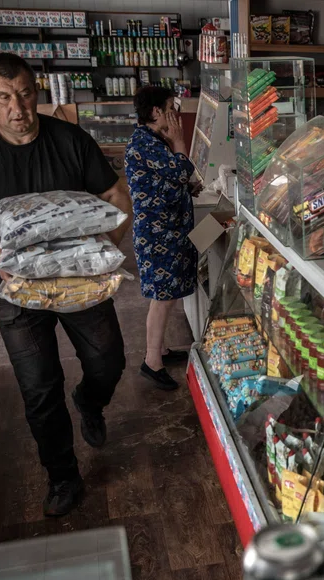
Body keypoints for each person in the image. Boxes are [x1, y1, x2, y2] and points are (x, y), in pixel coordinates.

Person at [0, 53, 132, 517]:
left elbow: (114, 197)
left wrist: (97, 252)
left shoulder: (70, 139)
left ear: (37, 91)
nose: (18, 108)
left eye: (25, 94)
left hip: (78, 282)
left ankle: (89, 400)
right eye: (4, 97)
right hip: (18, 289)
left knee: (108, 360)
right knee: (39, 387)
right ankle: (63, 477)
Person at [125, 86, 201, 391]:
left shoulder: (153, 140)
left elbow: (168, 181)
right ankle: (152, 361)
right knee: (162, 298)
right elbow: (181, 169)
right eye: (171, 107)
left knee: (165, 296)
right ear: (157, 112)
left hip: (165, 231)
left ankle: (161, 349)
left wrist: (185, 188)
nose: (176, 112)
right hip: (159, 234)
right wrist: (181, 142)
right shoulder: (147, 143)